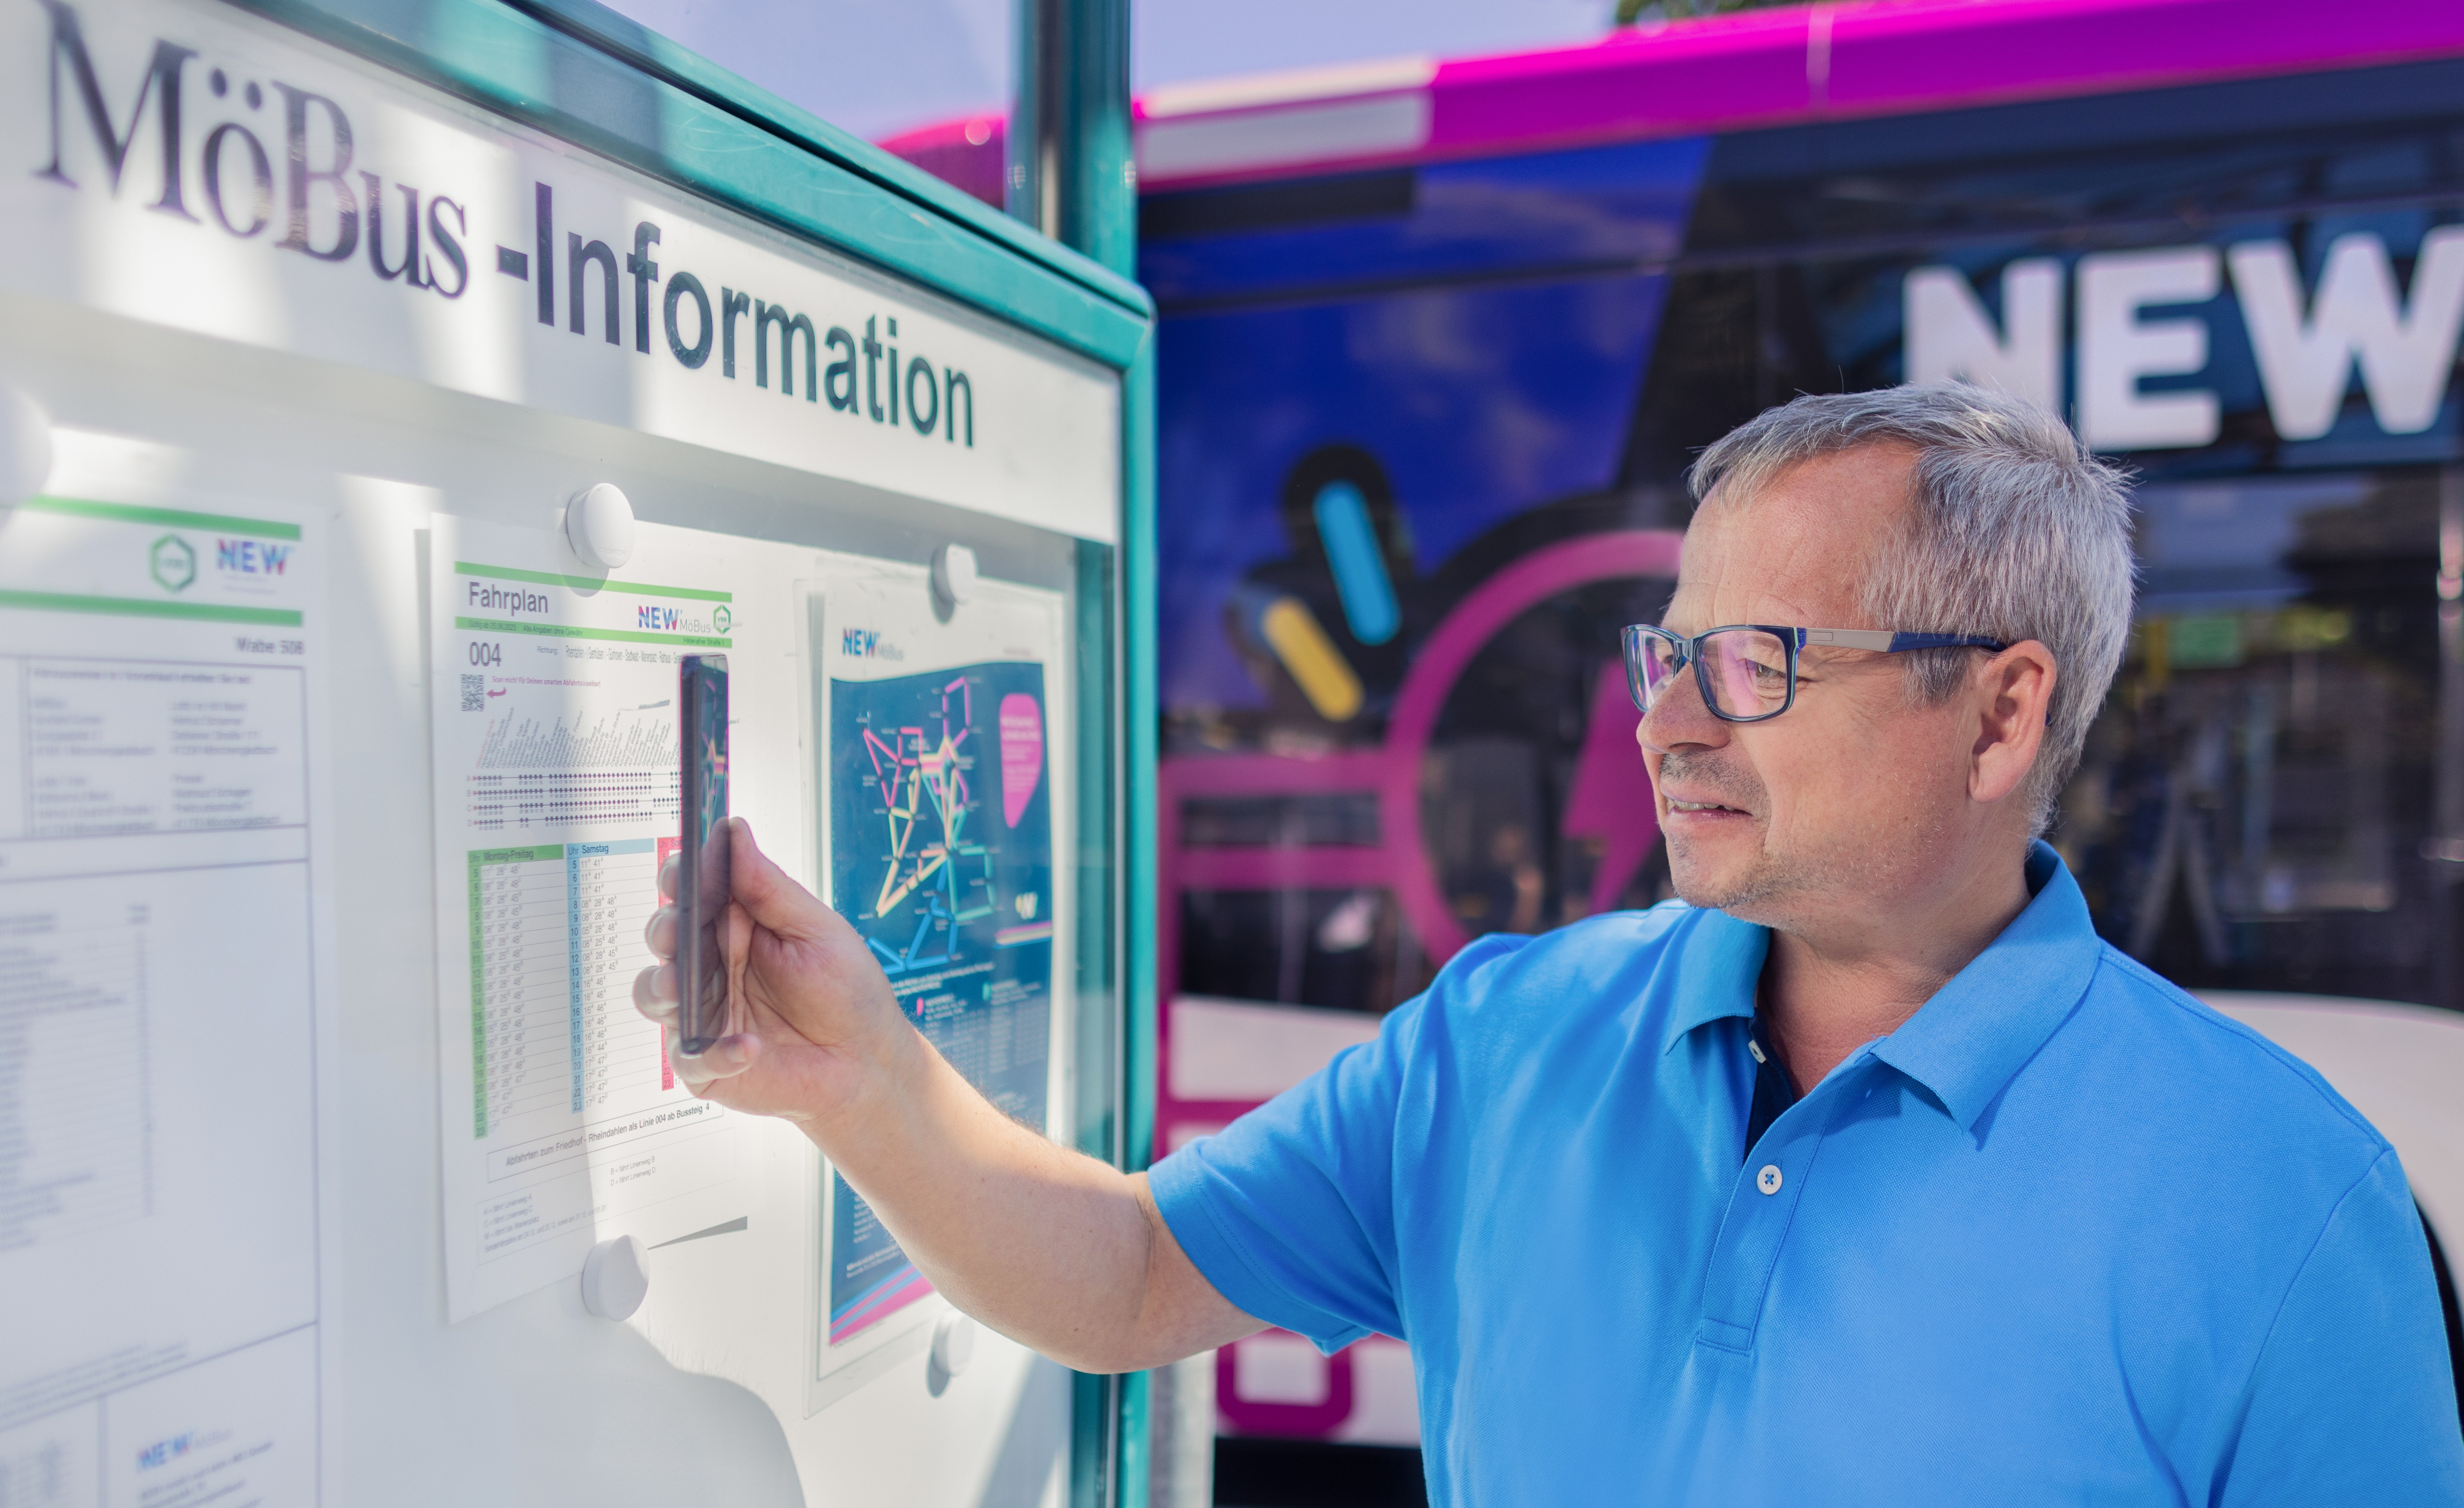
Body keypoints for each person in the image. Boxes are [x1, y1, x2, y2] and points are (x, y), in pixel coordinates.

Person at [636, 384, 2464, 1503]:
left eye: (1752, 663)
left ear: (1999, 717)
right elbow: (1124, 1274)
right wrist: (860, 1075)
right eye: (1665, 652)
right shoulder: (1506, 1036)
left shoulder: (2284, 1203)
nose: (1664, 721)